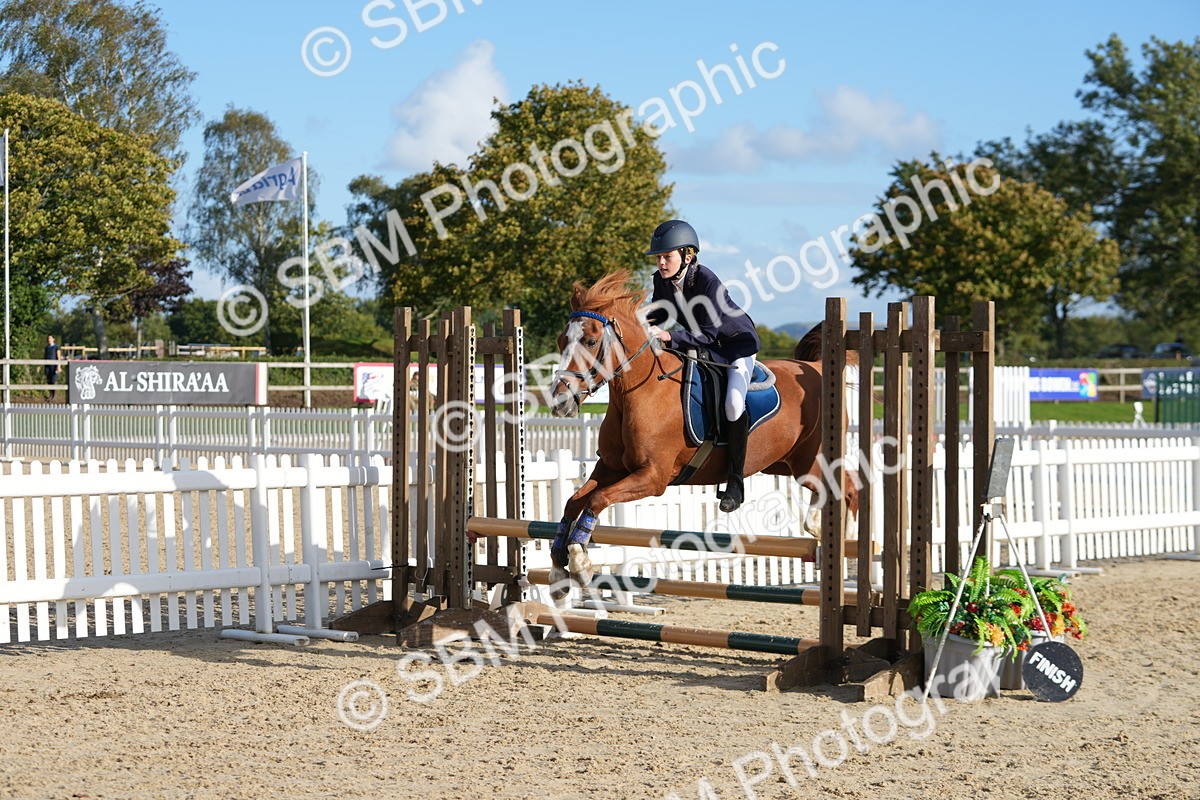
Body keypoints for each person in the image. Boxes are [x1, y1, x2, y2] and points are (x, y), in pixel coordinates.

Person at [643, 219, 761, 512]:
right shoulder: (661, 280)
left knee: (734, 403)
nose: (661, 262)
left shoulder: (707, 281)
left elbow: (709, 333)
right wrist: (634, 324)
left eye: (666, 256)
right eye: (658, 257)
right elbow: (659, 314)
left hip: (736, 347)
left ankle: (736, 481)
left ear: (687, 255)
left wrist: (669, 336)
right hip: (705, 347)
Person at [44, 334, 61, 400]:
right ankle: (50, 395)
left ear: (53, 339)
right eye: (48, 338)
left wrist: (59, 366)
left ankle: (54, 395)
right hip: (47, 366)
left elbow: (58, 357)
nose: (49, 340)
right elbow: (44, 357)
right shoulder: (47, 347)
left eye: (50, 338)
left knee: (54, 380)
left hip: (54, 366)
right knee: (49, 381)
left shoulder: (56, 347)